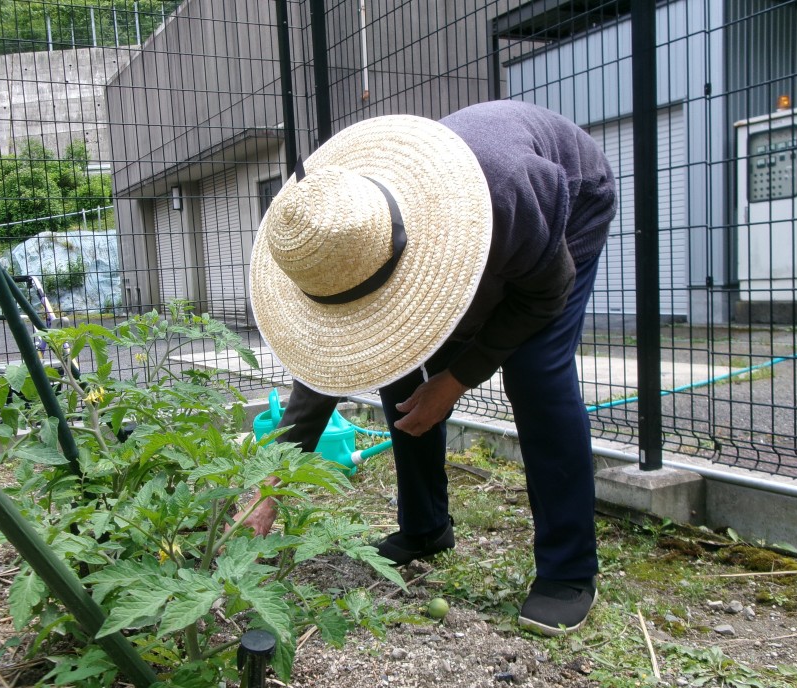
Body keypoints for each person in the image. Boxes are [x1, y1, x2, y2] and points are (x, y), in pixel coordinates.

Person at [246, 100, 616, 635]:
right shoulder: (342, 234)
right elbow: (321, 378)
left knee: (536, 373)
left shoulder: (505, 192)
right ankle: (425, 529)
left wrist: (459, 377)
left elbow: (544, 291)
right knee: (401, 365)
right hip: (489, 217)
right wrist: (269, 489)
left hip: (563, 211)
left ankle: (569, 572)